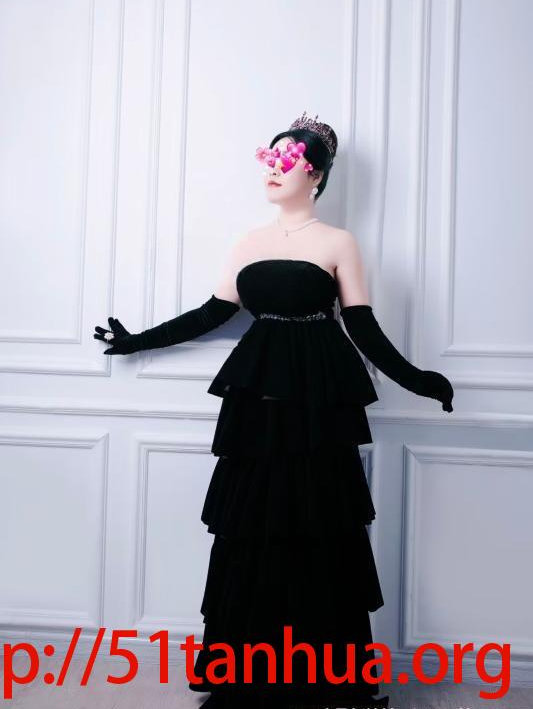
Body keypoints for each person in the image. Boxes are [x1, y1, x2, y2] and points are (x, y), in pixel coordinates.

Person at [94, 111, 454, 709]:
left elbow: (362, 326)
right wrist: (137, 341)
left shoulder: (338, 243)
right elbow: (211, 314)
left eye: (288, 157)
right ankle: (246, 671)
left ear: (315, 174)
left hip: (318, 408)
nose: (273, 166)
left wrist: (418, 380)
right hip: (257, 406)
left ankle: (326, 675)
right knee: (253, 527)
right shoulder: (248, 243)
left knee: (321, 525)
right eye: (271, 154)